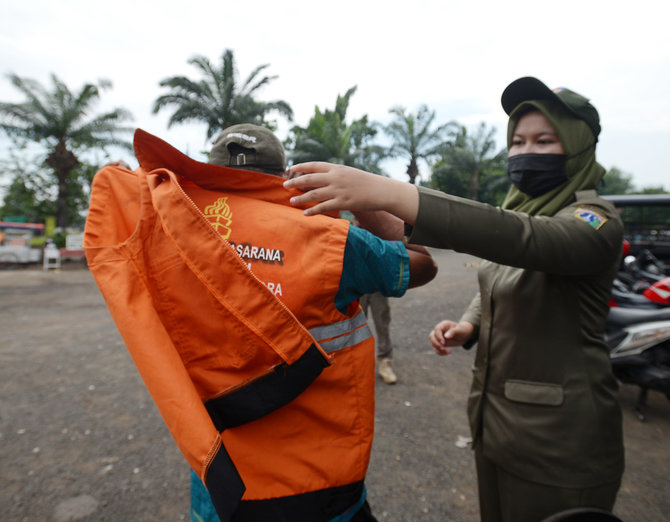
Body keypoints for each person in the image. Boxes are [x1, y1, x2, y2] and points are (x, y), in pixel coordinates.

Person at [284, 77, 625, 522]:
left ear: (578, 147)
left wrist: (389, 193)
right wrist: (471, 323)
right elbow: (503, 272)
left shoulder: (594, 219)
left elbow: (525, 241)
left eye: (544, 141)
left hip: (562, 446)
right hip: (497, 426)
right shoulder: (526, 210)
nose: (525, 152)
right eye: (518, 141)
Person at [187, 124, 437, 521]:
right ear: (285, 177)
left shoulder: (172, 239)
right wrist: (365, 199)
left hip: (221, 492)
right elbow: (422, 262)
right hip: (321, 487)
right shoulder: (332, 240)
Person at [360, 292, 396, 384]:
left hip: (378, 285)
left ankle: (385, 361)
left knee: (382, 323)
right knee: (356, 324)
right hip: (355, 283)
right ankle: (358, 364)